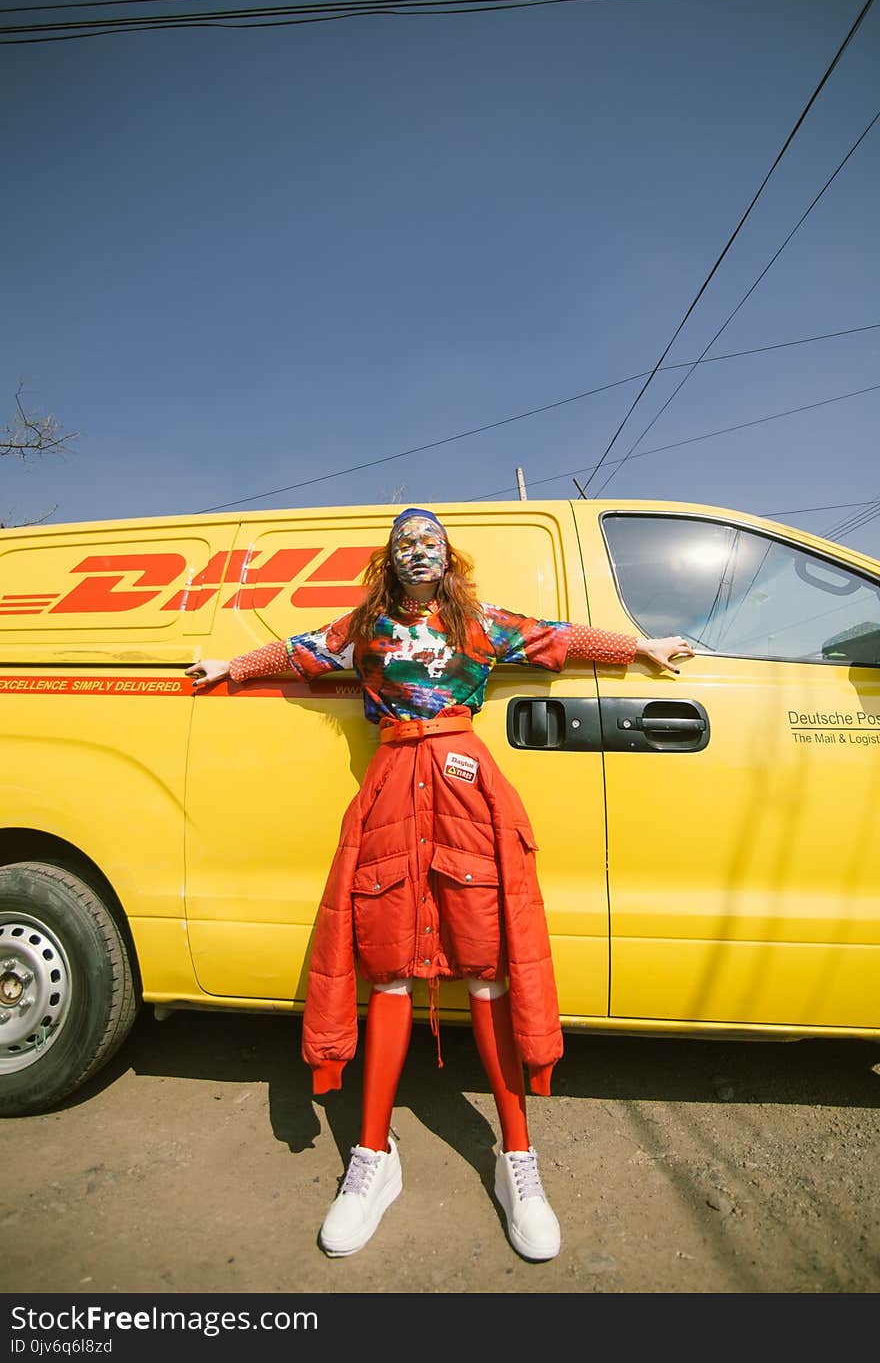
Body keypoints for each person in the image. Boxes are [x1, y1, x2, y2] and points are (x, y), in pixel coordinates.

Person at [187, 507, 694, 1262]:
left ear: (447, 556)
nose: (417, 553)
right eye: (404, 545)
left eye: (428, 543)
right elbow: (299, 651)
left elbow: (560, 636)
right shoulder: (366, 629)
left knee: (489, 966)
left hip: (467, 791)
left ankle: (517, 1157)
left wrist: (639, 647)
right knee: (386, 967)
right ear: (388, 562)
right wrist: (236, 667)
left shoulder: (481, 623)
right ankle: (371, 1157)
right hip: (392, 788)